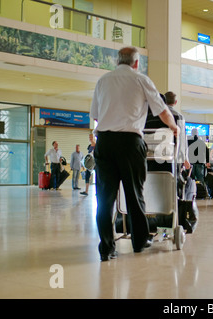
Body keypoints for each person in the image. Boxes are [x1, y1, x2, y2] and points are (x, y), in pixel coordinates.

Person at [90, 46, 179, 261]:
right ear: (136, 62)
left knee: (104, 199)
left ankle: (106, 248)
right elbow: (162, 110)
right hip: (130, 143)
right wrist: (174, 127)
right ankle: (139, 242)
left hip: (105, 142)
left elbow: (95, 116)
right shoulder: (141, 80)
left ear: (117, 61)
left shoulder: (103, 81)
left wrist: (95, 137)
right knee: (134, 194)